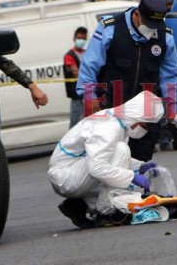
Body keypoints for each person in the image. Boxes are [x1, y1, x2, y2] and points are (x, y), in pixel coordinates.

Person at [76, 0, 177, 161]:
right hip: (110, 107)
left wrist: (173, 109)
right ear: (137, 15)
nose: (152, 29)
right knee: (108, 159)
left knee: (140, 159)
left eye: (155, 25)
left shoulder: (165, 37)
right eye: (148, 24)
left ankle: (136, 186)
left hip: (143, 113)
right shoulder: (110, 28)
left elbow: (172, 77)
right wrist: (90, 97)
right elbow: (90, 65)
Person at [48, 90, 163, 228]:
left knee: (123, 186)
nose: (145, 130)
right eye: (145, 125)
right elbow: (97, 168)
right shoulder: (108, 128)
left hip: (72, 171)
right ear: (136, 116)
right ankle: (107, 212)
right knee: (121, 154)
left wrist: (140, 166)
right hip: (66, 176)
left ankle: (79, 206)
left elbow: (106, 157)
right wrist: (132, 176)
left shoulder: (115, 121)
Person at [64, 26, 88, 128]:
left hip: (88, 93)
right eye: (79, 38)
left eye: (83, 38)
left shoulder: (85, 53)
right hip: (78, 95)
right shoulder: (70, 55)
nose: (81, 40)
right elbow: (75, 72)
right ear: (74, 38)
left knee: (88, 122)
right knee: (75, 123)